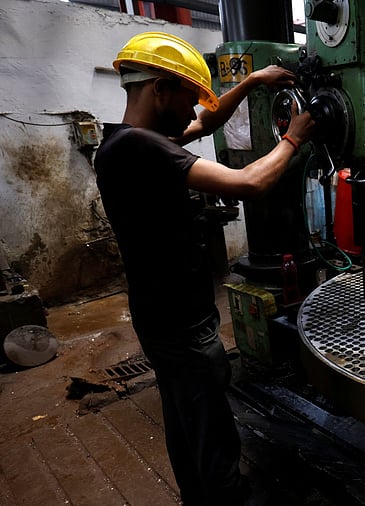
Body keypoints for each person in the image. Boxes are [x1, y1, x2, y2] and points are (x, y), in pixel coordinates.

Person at [94, 31, 315, 505]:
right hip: (182, 325)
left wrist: (252, 80)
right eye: (190, 98)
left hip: (157, 317)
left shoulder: (122, 142)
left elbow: (204, 126)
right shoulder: (143, 149)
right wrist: (294, 138)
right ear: (160, 91)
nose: (195, 111)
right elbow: (250, 183)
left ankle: (198, 496)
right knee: (213, 431)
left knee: (185, 423)